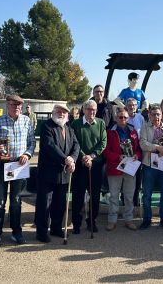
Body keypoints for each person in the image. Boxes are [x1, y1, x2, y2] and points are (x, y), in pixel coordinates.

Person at [0, 95, 36, 247]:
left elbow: (32, 142)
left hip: (19, 165)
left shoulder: (27, 121)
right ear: (7, 105)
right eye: (14, 104)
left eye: (20, 105)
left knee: (16, 201)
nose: (17, 107)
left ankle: (16, 232)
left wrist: (27, 154)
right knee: (0, 202)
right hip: (0, 165)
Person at [34, 104, 79, 243]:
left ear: (67, 115)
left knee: (59, 203)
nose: (61, 114)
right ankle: (41, 232)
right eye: (58, 111)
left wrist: (73, 159)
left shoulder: (69, 128)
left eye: (64, 112)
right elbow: (50, 146)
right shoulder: (47, 126)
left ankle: (56, 228)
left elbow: (76, 145)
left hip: (63, 174)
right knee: (44, 204)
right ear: (53, 113)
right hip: (48, 173)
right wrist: (66, 159)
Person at [139, 105, 163, 230]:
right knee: (147, 194)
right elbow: (143, 143)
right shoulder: (145, 127)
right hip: (149, 165)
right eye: (153, 114)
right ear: (149, 115)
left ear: (162, 115)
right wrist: (157, 147)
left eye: (158, 114)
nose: (156, 116)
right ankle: (147, 219)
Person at [71, 100, 107, 233]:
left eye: (94, 109)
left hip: (95, 165)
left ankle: (92, 221)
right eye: (88, 109)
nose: (91, 112)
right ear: (84, 109)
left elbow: (103, 142)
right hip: (80, 165)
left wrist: (91, 156)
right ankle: (76, 223)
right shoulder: (76, 124)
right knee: (78, 196)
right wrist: (84, 157)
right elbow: (74, 143)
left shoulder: (101, 123)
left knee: (95, 195)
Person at [104, 106, 142, 231]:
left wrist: (137, 155)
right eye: (120, 117)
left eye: (125, 117)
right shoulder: (110, 131)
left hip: (130, 167)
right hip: (115, 168)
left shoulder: (133, 131)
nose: (123, 119)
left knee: (129, 196)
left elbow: (138, 149)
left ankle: (129, 219)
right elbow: (106, 151)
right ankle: (112, 220)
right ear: (116, 118)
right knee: (114, 196)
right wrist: (117, 156)